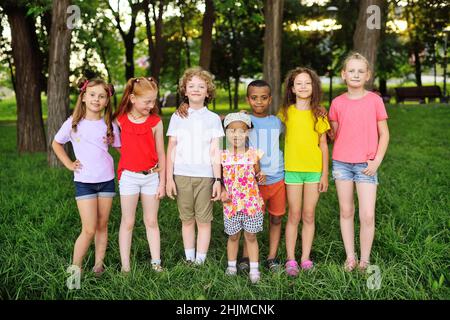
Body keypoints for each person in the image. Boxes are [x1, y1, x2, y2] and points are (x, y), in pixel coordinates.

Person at [52, 78, 120, 276]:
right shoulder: (73, 124)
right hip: (84, 183)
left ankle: (99, 265)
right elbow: (56, 143)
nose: (96, 100)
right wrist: (68, 163)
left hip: (106, 180)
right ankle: (75, 269)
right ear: (83, 97)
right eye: (92, 95)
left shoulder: (109, 125)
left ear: (107, 101)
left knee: (102, 225)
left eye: (101, 96)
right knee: (89, 228)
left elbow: (122, 149)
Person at [329, 52, 389, 271]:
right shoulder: (336, 103)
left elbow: (385, 134)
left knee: (367, 214)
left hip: (366, 165)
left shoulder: (374, 100)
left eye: (360, 71)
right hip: (341, 164)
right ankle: (350, 257)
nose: (355, 74)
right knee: (346, 211)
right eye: (351, 71)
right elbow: (334, 135)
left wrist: (376, 161)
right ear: (344, 75)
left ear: (368, 76)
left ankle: (365, 259)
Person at [166, 67, 224, 265]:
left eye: (201, 86)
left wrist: (218, 180)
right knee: (187, 219)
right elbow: (171, 147)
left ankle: (200, 261)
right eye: (192, 86)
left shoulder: (214, 119)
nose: (196, 89)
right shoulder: (177, 117)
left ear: (208, 92)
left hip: (206, 176)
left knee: (204, 220)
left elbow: (216, 151)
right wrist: (168, 179)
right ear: (185, 91)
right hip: (182, 175)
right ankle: (189, 258)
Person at [278, 67, 331, 276]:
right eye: (298, 83)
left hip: (313, 171)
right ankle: (291, 259)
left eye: (307, 83)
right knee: (294, 214)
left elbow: (324, 146)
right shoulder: (285, 113)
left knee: (309, 215)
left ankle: (305, 258)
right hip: (292, 170)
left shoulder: (318, 113)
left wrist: (325, 174)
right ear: (292, 88)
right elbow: (269, 129)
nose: (303, 86)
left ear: (313, 87)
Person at [114, 77, 165, 273]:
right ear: (133, 98)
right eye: (147, 102)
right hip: (129, 177)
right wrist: (126, 153)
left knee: (151, 221)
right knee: (128, 221)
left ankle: (156, 263)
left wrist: (162, 182)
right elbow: (109, 136)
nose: (152, 106)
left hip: (151, 177)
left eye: (154, 101)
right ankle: (126, 266)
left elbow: (161, 153)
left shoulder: (156, 122)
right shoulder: (120, 120)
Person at [220, 112, 264, 284]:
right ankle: (231, 266)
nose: (236, 135)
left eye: (241, 131)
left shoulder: (253, 154)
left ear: (247, 133)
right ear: (226, 133)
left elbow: (258, 174)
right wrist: (223, 190)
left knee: (251, 236)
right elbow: (219, 179)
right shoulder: (222, 155)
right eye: (232, 131)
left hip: (251, 203)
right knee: (233, 236)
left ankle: (254, 269)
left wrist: (261, 176)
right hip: (231, 204)